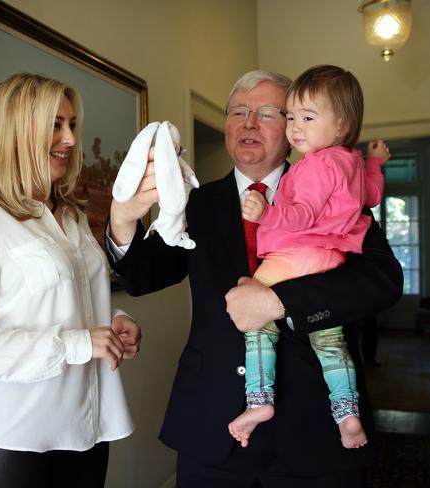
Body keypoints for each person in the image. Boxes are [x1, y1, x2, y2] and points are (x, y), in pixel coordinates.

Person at [107, 70, 402, 487]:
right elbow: (141, 276)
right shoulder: (197, 205)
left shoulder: (336, 190)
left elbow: (383, 280)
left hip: (315, 429)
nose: (249, 122)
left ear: (296, 126)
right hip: (213, 427)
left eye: (267, 112)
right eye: (239, 111)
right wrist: (122, 219)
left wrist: (281, 303)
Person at [0, 73, 140, 488]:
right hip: (12, 438)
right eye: (55, 125)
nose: (69, 139)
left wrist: (112, 320)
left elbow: (58, 298)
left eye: (72, 125)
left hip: (86, 430)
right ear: (15, 131)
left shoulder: (75, 218)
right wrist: (76, 343)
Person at [228, 65, 390, 450]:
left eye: (274, 114)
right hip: (330, 257)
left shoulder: (314, 166)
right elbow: (372, 196)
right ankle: (347, 414)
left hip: (294, 255)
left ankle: (258, 400)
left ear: (340, 125)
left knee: (257, 321)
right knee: (331, 345)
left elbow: (303, 215)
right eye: (291, 117)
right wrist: (376, 164)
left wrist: (267, 213)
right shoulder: (350, 162)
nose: (295, 127)